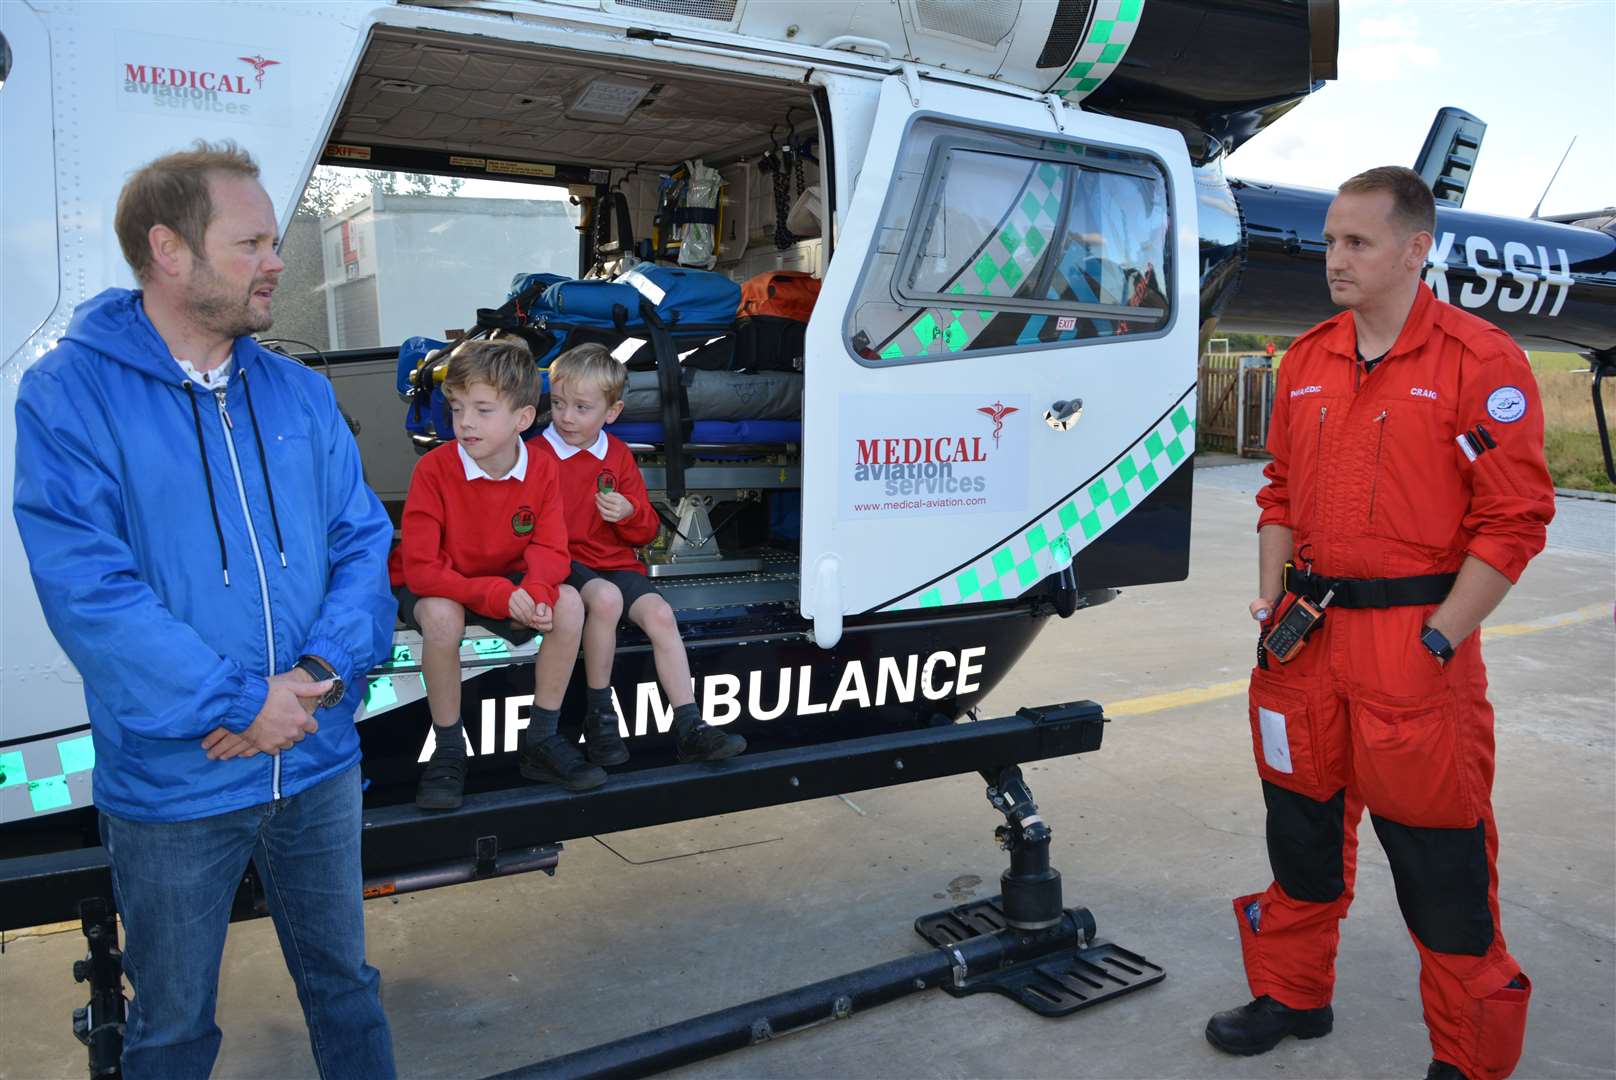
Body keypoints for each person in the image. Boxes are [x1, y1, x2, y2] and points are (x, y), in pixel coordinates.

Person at [12, 142, 396, 1078]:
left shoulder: (301, 394)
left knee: (347, 990)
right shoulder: (69, 395)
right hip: (176, 789)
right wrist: (236, 699)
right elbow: (89, 591)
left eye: (274, 240)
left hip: (316, 758)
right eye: (253, 242)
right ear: (168, 250)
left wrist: (318, 677)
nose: (277, 262)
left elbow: (362, 544)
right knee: (175, 1030)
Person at [1205, 166, 1555, 1080]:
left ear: (1414, 249)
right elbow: (1277, 490)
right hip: (1303, 646)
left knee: (1439, 860)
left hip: (1413, 652)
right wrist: (1271, 592)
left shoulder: (1483, 363)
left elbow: (1514, 519)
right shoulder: (1309, 358)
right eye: (1329, 242)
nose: (1335, 259)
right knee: (1300, 831)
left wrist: (1441, 636)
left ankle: (1468, 1057)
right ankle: (1293, 993)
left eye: (1356, 243)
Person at [389, 337, 599, 805]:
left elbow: (549, 546)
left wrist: (538, 592)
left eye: (483, 410)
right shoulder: (434, 470)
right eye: (457, 407)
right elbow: (422, 571)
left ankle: (542, 737)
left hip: (504, 582)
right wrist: (501, 598)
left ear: (523, 419)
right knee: (442, 617)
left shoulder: (542, 469)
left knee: (566, 602)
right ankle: (448, 748)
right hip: (445, 584)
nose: (464, 422)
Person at [535, 344, 746, 765]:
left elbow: (647, 529)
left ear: (611, 413)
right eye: (558, 404)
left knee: (661, 616)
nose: (566, 417)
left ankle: (690, 724)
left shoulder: (616, 455)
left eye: (581, 407)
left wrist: (629, 513)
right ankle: (600, 716)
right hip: (565, 562)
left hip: (614, 562)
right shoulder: (538, 456)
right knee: (606, 601)